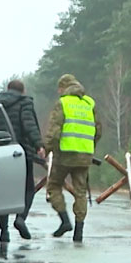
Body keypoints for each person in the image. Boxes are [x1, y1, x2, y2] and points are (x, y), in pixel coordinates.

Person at [0, 79, 45, 242]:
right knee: (28, 189)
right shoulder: (24, 103)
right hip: (20, 153)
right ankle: (20, 218)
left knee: (3, 191)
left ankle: (4, 232)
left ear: (7, 89)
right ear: (22, 91)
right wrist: (39, 145)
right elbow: (29, 125)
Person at [44, 73, 101, 242]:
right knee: (81, 192)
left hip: (64, 154)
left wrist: (47, 150)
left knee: (54, 186)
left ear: (63, 87)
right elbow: (98, 131)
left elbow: (54, 131)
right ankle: (79, 232)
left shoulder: (62, 103)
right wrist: (89, 148)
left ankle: (64, 220)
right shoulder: (89, 103)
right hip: (84, 155)